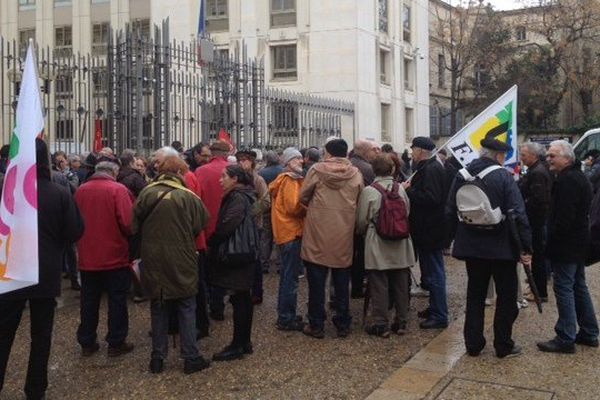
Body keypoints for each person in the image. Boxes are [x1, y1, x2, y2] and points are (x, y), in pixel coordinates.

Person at [0, 138, 84, 400]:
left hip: (11, 271)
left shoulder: (6, 191)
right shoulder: (58, 192)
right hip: (44, 272)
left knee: (3, 334)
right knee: (41, 336)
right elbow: (74, 231)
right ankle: (35, 389)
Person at [446, 135, 532, 358]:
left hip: (472, 245)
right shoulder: (503, 177)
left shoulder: (462, 174)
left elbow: (449, 209)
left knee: (475, 294)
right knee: (506, 297)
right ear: (499, 156)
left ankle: (473, 344)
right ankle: (503, 345)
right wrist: (526, 247)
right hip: (501, 246)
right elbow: (518, 213)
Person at [133, 155, 211, 374]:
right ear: (179, 172)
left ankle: (157, 358)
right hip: (181, 257)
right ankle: (190, 357)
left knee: (158, 306)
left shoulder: (146, 193)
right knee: (187, 305)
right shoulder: (188, 196)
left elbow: (134, 223)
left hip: (153, 257)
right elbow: (201, 224)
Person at [537, 140, 599, 353]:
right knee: (578, 286)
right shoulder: (577, 176)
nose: (549, 159)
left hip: (567, 245)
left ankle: (565, 336)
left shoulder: (568, 181)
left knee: (564, 288)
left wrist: (550, 243)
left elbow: (564, 219)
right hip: (578, 243)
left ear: (566, 158)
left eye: (553, 156)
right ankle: (589, 332)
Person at [300, 139, 363, 338]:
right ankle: (343, 323)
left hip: (318, 230)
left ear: (327, 152)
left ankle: (316, 324)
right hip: (343, 231)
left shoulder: (317, 170)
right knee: (342, 282)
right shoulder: (356, 173)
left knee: (316, 282)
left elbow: (303, 196)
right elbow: (360, 199)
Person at [74, 160, 135, 357]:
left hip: (88, 255)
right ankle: (116, 341)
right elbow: (127, 222)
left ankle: (87, 341)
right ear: (114, 173)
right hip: (114, 254)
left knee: (89, 300)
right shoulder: (118, 189)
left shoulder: (81, 190)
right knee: (117, 300)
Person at [356, 153, 416, 337]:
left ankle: (381, 323)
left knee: (379, 283)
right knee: (400, 282)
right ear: (392, 169)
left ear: (374, 169)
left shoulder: (370, 191)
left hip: (377, 241)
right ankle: (402, 321)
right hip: (401, 240)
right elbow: (406, 211)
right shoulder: (400, 189)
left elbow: (361, 221)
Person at [207, 165, 258, 361]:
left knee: (239, 298)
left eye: (224, 177)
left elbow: (230, 223)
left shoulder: (237, 197)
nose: (221, 180)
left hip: (238, 254)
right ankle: (244, 342)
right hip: (245, 253)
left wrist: (214, 240)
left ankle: (238, 344)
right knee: (242, 298)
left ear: (235, 179)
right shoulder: (244, 194)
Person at [403, 136, 449, 329]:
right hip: (427, 229)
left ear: (420, 151)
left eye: (413, 149)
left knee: (435, 273)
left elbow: (432, 198)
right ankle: (435, 308)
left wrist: (409, 191)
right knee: (430, 272)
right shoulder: (429, 167)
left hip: (431, 229)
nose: (412, 153)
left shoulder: (431, 169)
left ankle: (439, 314)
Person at [269, 148, 306, 331]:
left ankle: (285, 313)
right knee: (290, 278)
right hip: (291, 231)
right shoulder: (290, 180)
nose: (301, 161)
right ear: (288, 162)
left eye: (301, 158)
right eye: (297, 158)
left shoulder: (283, 180)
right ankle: (286, 317)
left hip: (285, 231)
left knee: (286, 276)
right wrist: (309, 205)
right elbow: (294, 207)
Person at [195, 141, 231, 321]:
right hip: (228, 226)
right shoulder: (233, 170)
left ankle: (207, 302)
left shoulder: (201, 171)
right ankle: (218, 305)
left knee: (207, 269)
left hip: (206, 226)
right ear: (226, 153)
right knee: (224, 269)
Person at [518, 143, 552, 303]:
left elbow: (539, 199)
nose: (521, 158)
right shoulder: (535, 169)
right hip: (538, 221)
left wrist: (523, 207)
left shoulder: (537, 172)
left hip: (536, 222)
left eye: (524, 155)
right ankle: (537, 289)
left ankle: (539, 292)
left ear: (534, 155)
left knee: (537, 257)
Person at [236, 150, 269, 305]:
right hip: (239, 224)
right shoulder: (235, 178)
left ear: (251, 162)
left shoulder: (258, 179)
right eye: (239, 160)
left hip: (255, 224)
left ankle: (257, 292)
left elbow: (266, 201)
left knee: (255, 260)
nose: (242, 163)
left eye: (245, 160)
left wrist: (250, 212)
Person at [349, 139, 380, 298]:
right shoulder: (368, 168)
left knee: (349, 252)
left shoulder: (348, 164)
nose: (375, 153)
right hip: (361, 215)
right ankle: (357, 286)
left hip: (346, 216)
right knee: (360, 254)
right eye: (372, 150)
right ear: (365, 152)